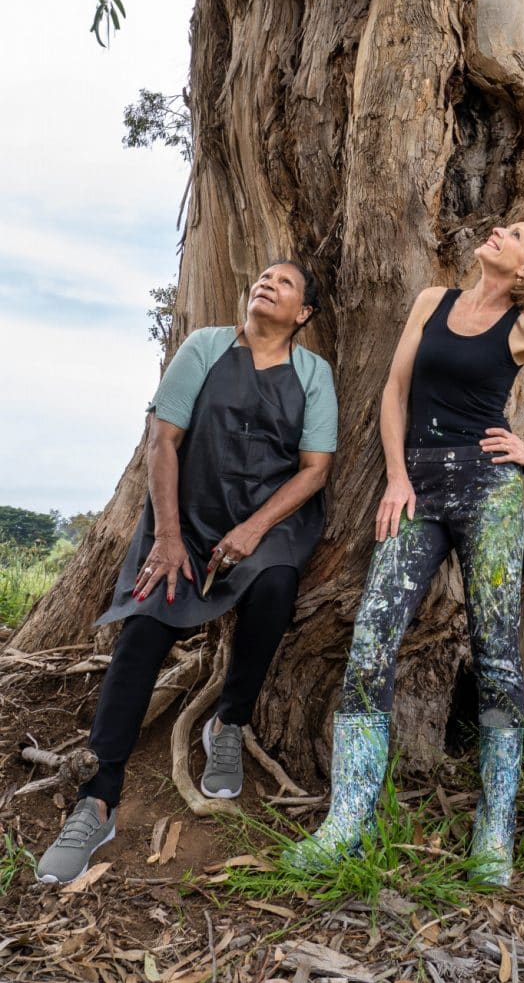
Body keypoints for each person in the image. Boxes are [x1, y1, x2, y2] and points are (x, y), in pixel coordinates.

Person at [283, 207, 524, 886]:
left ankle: (493, 828)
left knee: (496, 653)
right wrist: (397, 478)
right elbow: (395, 389)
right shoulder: (433, 301)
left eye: (515, 237)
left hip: (490, 491)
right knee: (371, 640)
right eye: (503, 228)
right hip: (419, 488)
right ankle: (348, 818)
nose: (498, 234)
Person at [35, 260, 338, 884]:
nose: (267, 283)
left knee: (275, 584)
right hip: (186, 521)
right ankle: (100, 797)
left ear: (303, 315)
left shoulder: (314, 374)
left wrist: (254, 530)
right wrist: (169, 537)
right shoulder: (203, 347)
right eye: (262, 276)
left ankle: (230, 721)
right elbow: (162, 439)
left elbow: (314, 468)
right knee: (145, 624)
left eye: (284, 283)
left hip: (266, 525)